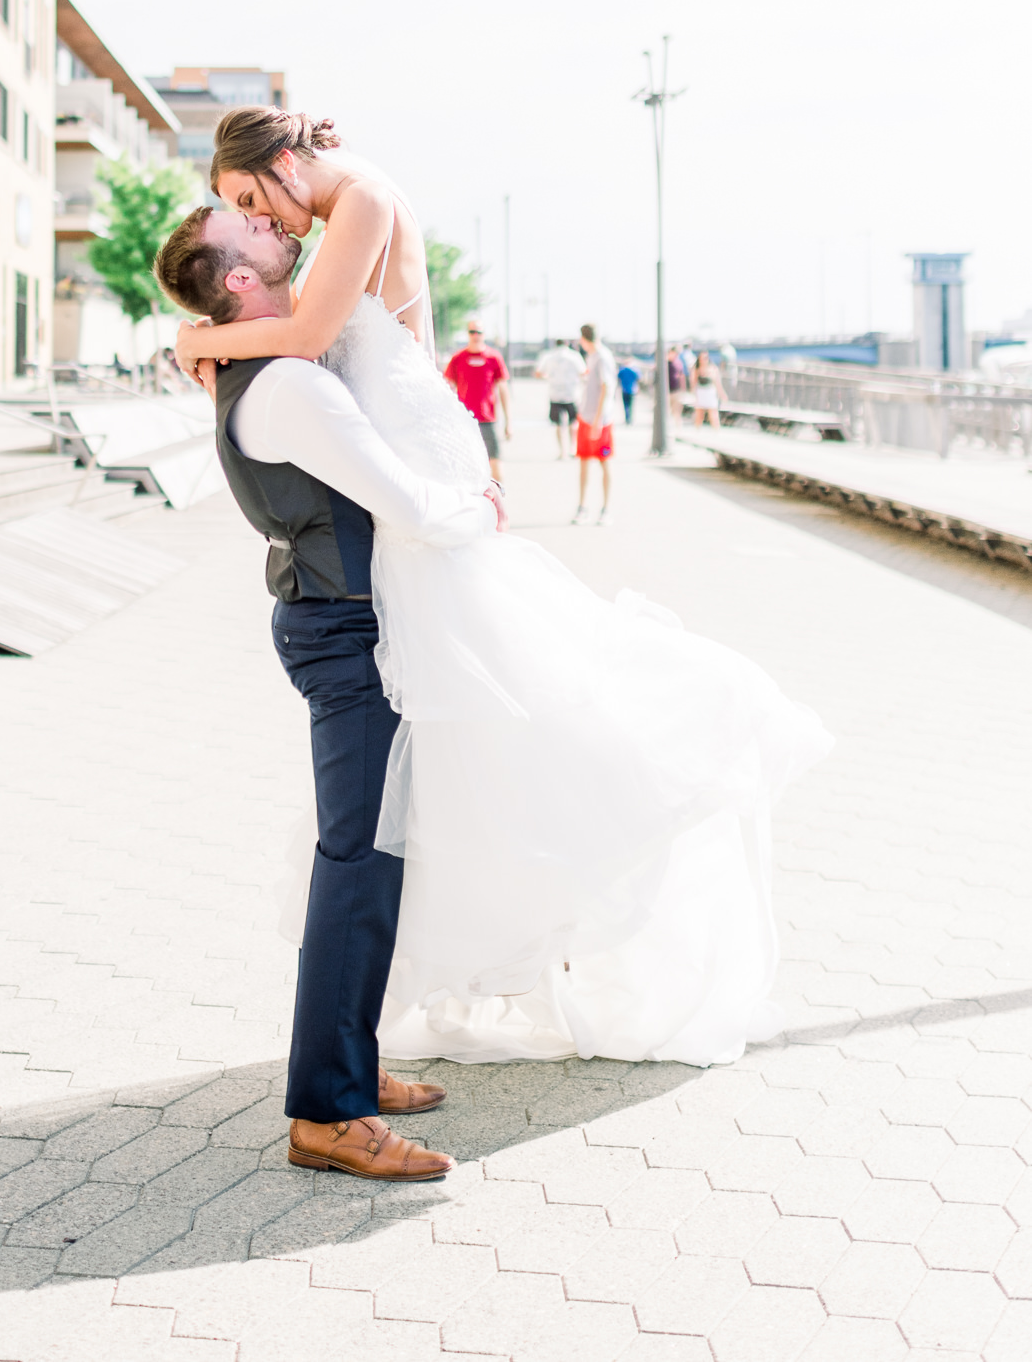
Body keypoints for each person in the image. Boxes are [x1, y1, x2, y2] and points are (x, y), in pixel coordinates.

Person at [171, 107, 829, 1068]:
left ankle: (501, 935)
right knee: (452, 752)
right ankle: (385, 1023)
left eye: (244, 197)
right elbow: (335, 345)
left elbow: (310, 334)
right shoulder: (349, 210)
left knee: (479, 731)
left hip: (406, 470)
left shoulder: (356, 199)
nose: (264, 220)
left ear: (277, 164)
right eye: (239, 214)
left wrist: (200, 342)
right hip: (402, 455)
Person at [156, 201, 506, 1181]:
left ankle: (351, 1062)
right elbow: (403, 503)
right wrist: (477, 507)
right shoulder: (288, 388)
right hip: (344, 632)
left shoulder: (250, 367)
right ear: (236, 281)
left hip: (337, 622)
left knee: (370, 858)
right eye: (253, 229)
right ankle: (327, 1110)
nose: (274, 226)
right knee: (358, 864)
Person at [443, 323, 512, 482]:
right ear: (468, 334)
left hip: (488, 419)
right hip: (464, 420)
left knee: (495, 461)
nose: (475, 335)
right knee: (464, 463)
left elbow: (503, 390)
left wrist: (508, 422)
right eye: (472, 332)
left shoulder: (493, 357)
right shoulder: (458, 358)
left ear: (484, 334)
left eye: (479, 332)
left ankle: (497, 502)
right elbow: (446, 387)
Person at [574, 325, 616, 525]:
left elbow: (606, 388)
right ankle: (582, 507)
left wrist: (598, 421)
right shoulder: (592, 357)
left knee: (604, 462)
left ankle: (606, 509)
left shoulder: (602, 357)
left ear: (583, 338)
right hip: (586, 417)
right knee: (583, 462)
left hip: (600, 421)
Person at [535, 336, 585, 458]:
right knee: (573, 423)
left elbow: (538, 373)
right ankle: (573, 447)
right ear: (567, 344)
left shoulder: (548, 356)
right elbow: (583, 372)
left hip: (555, 393)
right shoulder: (574, 356)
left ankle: (561, 451)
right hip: (572, 393)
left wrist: (550, 377)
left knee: (558, 424)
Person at [690, 347, 726, 429]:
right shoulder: (696, 369)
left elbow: (717, 383)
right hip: (700, 391)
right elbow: (693, 382)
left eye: (706, 358)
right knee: (699, 414)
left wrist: (722, 394)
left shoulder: (712, 368)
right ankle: (697, 430)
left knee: (713, 412)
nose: (704, 360)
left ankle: (716, 431)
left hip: (710, 391)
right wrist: (693, 394)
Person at [616, 356, 641, 425]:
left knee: (625, 405)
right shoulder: (634, 370)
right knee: (631, 405)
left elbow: (618, 377)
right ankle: (631, 419)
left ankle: (627, 418)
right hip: (633, 389)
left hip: (624, 389)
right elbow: (639, 378)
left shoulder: (622, 370)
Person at [667, 345, 687, 420]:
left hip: (676, 390)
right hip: (666, 391)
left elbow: (682, 376)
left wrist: (683, 389)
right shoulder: (665, 363)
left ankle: (678, 429)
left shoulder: (678, 363)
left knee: (677, 411)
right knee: (667, 411)